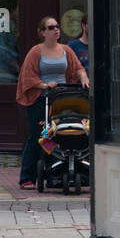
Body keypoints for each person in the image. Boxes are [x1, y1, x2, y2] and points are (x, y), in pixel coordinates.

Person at [16, 15, 89, 188]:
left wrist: (83, 77)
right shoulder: (36, 51)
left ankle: (54, 173)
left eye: (57, 26)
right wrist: (44, 85)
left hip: (61, 99)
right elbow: (27, 75)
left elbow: (78, 67)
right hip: (41, 99)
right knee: (39, 136)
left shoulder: (65, 50)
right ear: (42, 32)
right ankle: (27, 176)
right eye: (50, 27)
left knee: (59, 134)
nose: (56, 29)